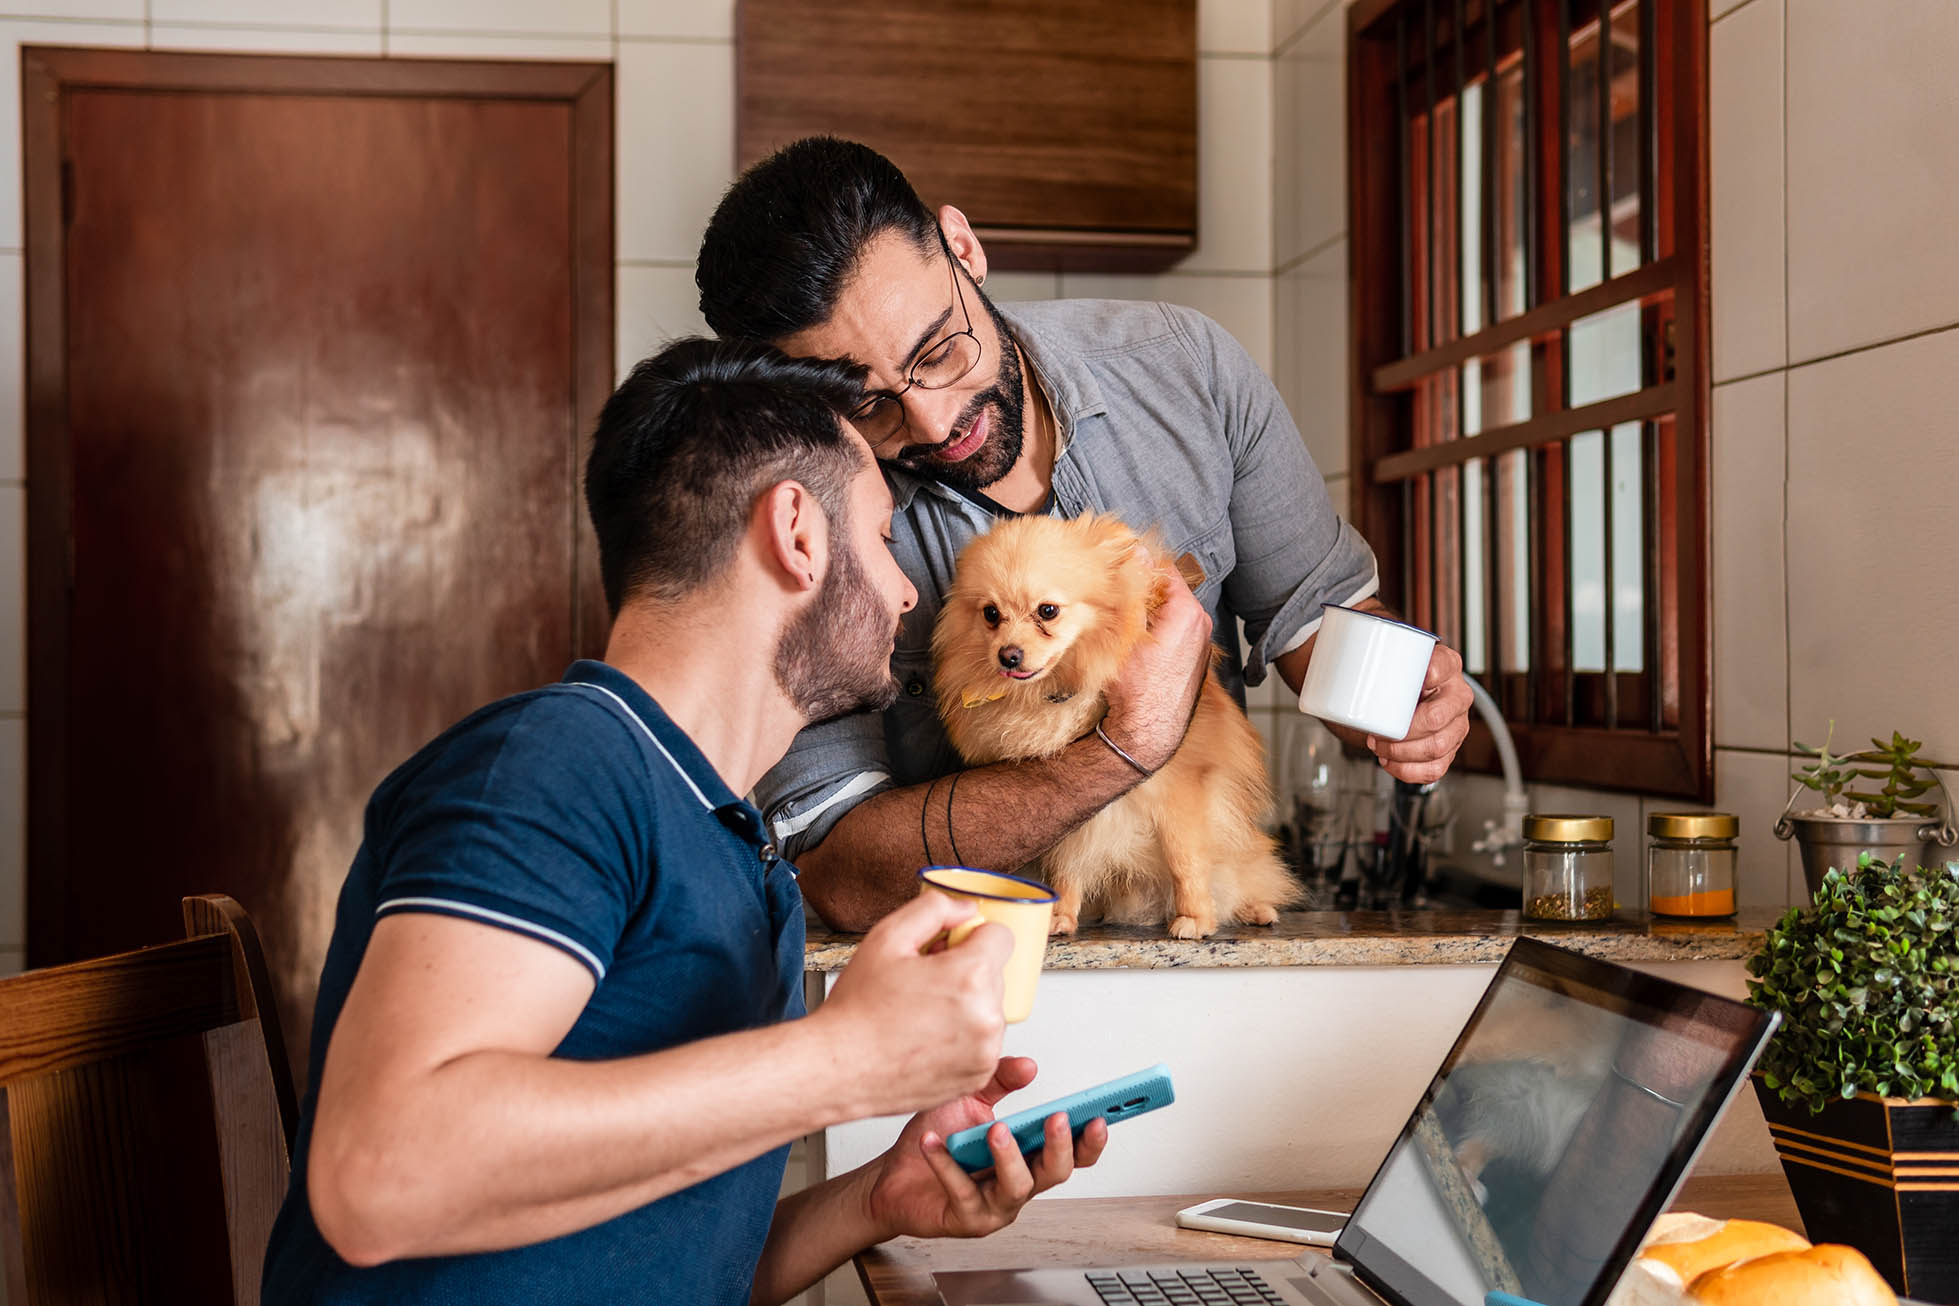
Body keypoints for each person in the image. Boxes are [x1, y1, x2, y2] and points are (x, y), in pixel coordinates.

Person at [259, 338, 1107, 1306]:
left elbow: (670, 1264)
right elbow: (381, 1180)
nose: (909, 591)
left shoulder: (727, 830)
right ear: (797, 531)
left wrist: (880, 1197)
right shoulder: (555, 768)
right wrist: (842, 1061)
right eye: (881, 538)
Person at [695, 135, 1476, 931]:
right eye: (868, 404)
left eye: (938, 350)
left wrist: (1404, 700)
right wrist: (1124, 747)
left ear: (963, 250)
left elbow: (1311, 619)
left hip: (1188, 927)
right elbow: (842, 874)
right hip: (959, 978)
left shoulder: (1183, 370)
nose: (933, 419)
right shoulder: (802, 517)